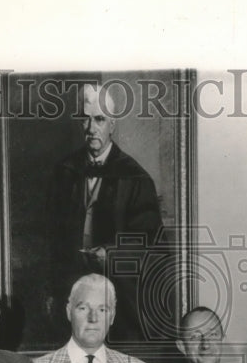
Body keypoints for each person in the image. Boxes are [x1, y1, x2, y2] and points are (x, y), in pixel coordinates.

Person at [51, 83, 164, 343]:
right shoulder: (64, 172)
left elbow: (151, 245)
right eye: (85, 120)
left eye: (99, 120)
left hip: (118, 296)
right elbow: (52, 238)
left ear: (112, 125)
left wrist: (110, 254)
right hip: (72, 289)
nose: (91, 129)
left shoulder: (136, 178)